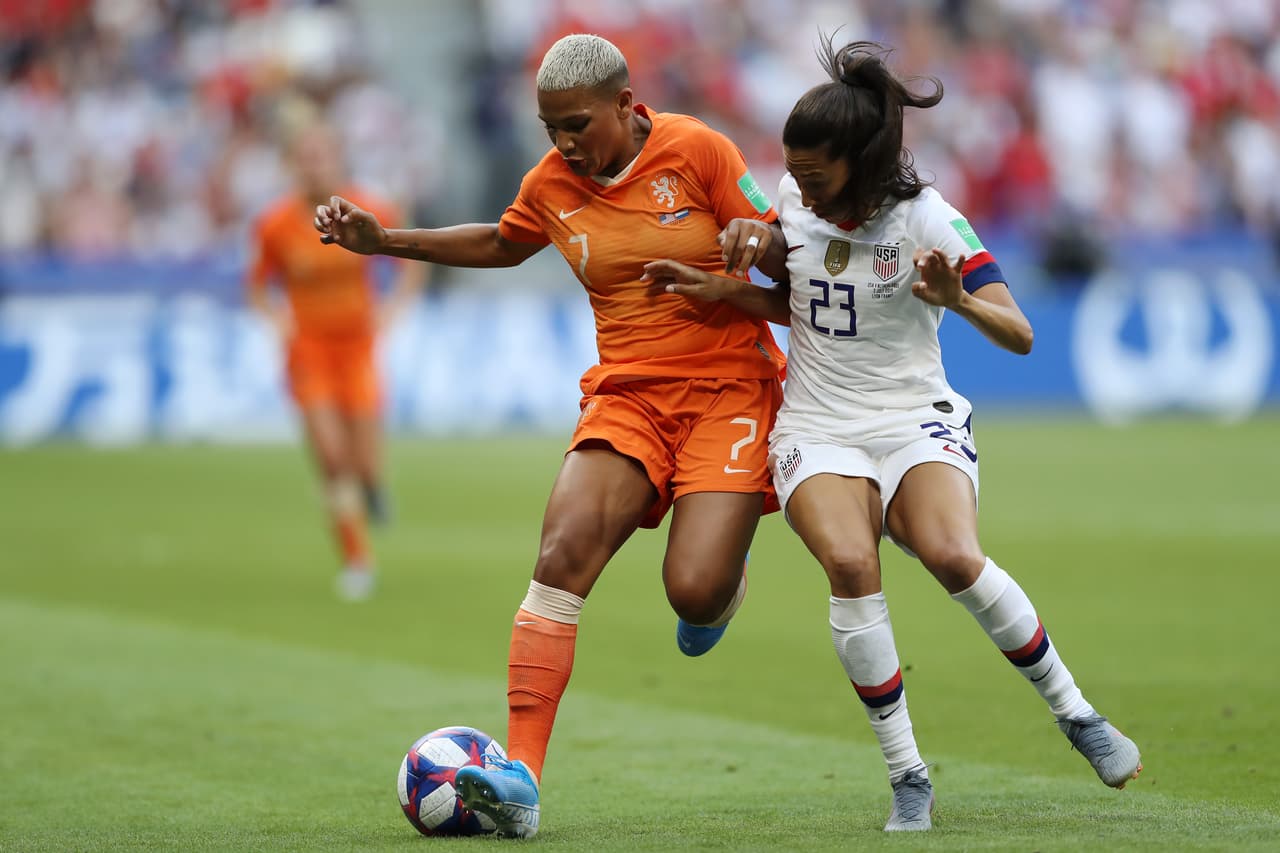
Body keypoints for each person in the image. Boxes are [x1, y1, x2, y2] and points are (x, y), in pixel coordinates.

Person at [643, 38, 1142, 832]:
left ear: (861, 161)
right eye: (794, 171)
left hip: (913, 416)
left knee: (953, 556)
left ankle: (1077, 714)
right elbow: (805, 303)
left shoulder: (927, 219)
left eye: (814, 174)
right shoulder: (794, 200)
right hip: (818, 423)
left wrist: (958, 299)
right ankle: (908, 774)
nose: (799, 187)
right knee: (850, 562)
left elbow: (1019, 333)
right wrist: (721, 288)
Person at [313, 34, 785, 837]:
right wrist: (384, 241)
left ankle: (722, 576)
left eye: (577, 124)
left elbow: (777, 248)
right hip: (628, 393)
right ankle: (523, 777)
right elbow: (503, 242)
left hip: (729, 388)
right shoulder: (551, 183)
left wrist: (757, 243)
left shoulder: (698, 150)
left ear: (626, 106)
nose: (564, 143)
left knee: (694, 591)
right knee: (560, 557)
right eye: (550, 128)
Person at [248, 121, 427, 601]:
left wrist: (394, 309)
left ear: (337, 159)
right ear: (292, 165)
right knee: (331, 457)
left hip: (358, 349)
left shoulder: (366, 209)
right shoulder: (275, 224)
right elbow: (257, 285)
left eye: (322, 156)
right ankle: (357, 560)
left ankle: (373, 485)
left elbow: (410, 258)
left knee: (364, 462)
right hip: (308, 352)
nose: (314, 166)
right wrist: (277, 320)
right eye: (305, 158)